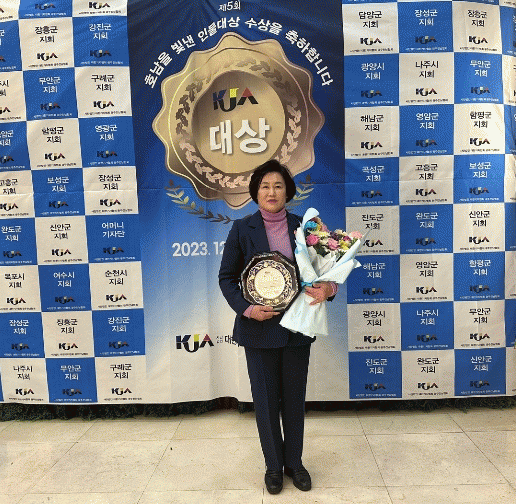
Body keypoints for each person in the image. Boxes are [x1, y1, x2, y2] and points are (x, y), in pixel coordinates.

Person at [218, 159, 336, 494]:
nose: (272, 192)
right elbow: (226, 278)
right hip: (259, 329)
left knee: (295, 400)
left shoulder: (306, 228)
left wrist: (329, 289)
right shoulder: (242, 229)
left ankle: (294, 463)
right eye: (265, 186)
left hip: (298, 327)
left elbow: (327, 270)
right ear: (256, 192)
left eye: (278, 186)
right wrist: (247, 309)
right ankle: (273, 466)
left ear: (288, 192)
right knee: (266, 402)